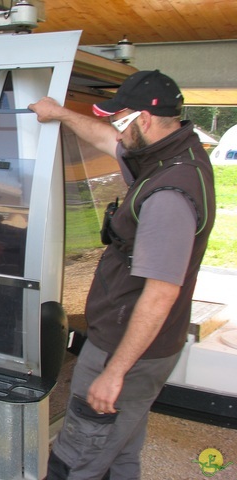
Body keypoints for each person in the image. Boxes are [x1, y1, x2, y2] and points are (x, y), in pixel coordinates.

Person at [29, 70, 216, 479]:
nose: (115, 128)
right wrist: (59, 113)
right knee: (121, 450)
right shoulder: (173, 156)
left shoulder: (168, 194)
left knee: (75, 459)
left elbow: (160, 293)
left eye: (120, 119)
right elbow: (109, 141)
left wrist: (114, 373)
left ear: (143, 120)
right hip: (143, 348)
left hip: (126, 350)